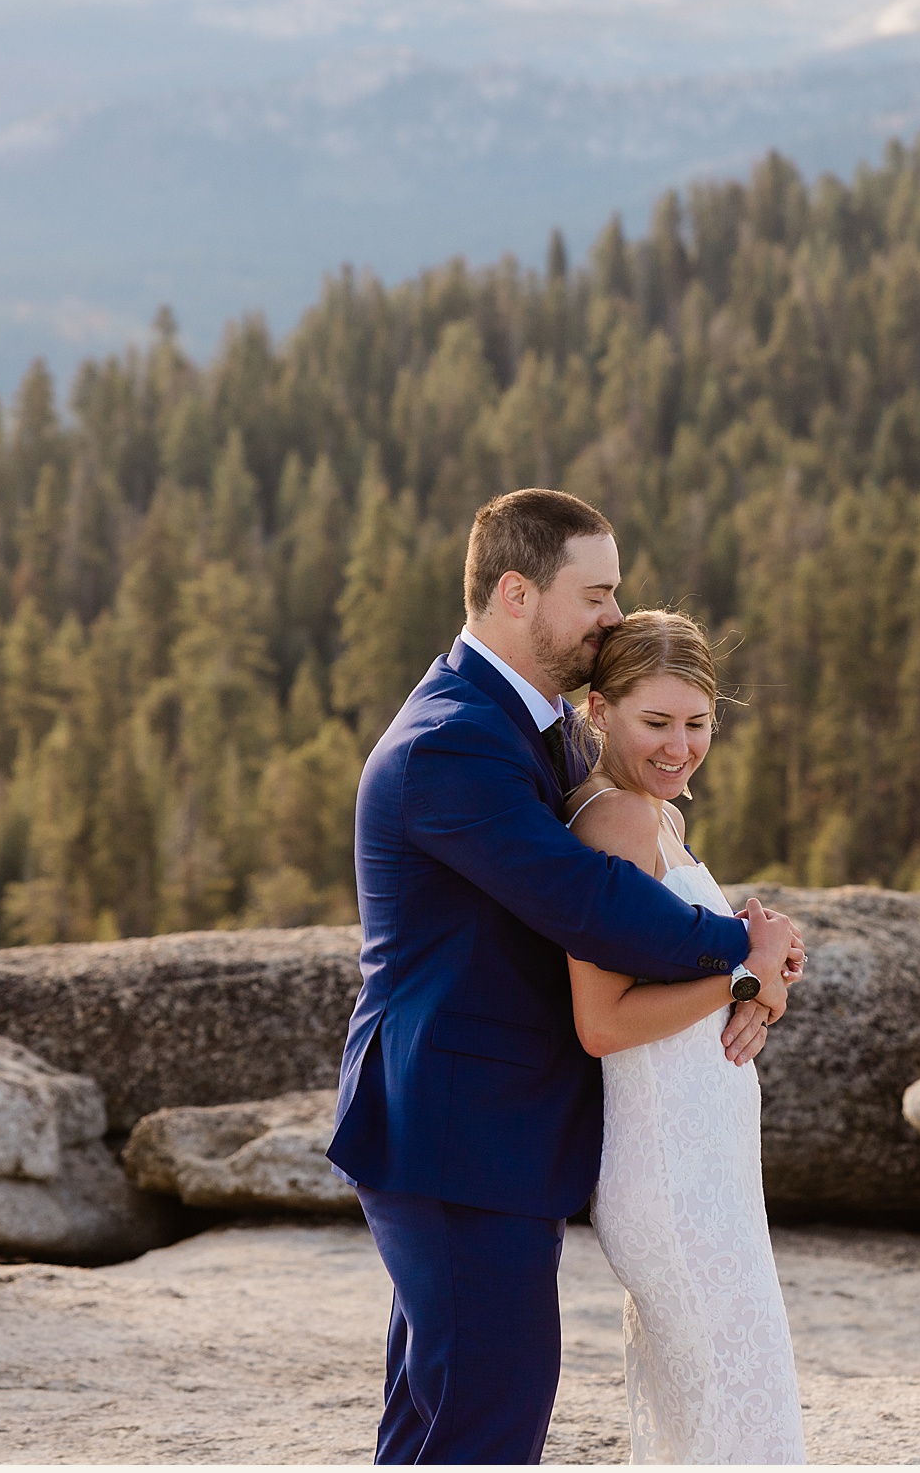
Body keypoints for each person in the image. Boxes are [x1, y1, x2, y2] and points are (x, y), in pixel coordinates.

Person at [330, 488, 804, 1466]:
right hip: (458, 1130)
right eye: (596, 593)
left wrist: (754, 955)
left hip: (485, 1132)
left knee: (440, 1422)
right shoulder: (453, 739)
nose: (613, 616)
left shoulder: (526, 724)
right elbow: (581, 898)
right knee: (483, 1427)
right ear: (516, 592)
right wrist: (741, 955)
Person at [563, 610, 806, 1464]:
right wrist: (746, 976)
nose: (680, 745)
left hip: (710, 1173)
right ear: (600, 711)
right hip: (671, 1179)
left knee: (728, 1418)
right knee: (740, 1424)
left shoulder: (656, 814)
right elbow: (603, 1022)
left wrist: (762, 979)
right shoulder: (616, 823)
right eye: (655, 722)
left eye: (697, 722)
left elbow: (712, 965)